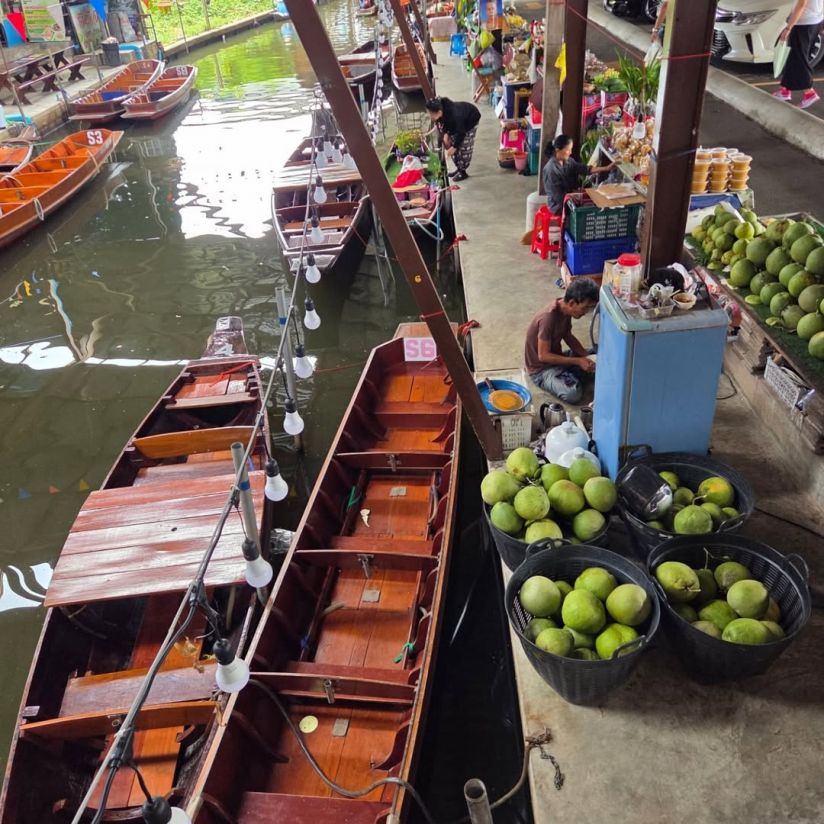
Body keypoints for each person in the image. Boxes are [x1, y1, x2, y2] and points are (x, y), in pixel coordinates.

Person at [524, 279, 600, 404]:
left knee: (597, 354)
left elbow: (567, 336)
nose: (585, 312)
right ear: (571, 303)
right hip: (542, 370)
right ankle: (572, 375)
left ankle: (572, 373)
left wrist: (586, 356)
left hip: (557, 358)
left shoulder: (565, 309)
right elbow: (543, 356)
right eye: (585, 308)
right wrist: (578, 361)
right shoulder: (548, 318)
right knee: (572, 394)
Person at [542, 134, 615, 216]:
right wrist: (578, 194)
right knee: (592, 209)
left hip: (570, 197)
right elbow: (559, 197)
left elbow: (585, 169)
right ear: (558, 150)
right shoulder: (550, 170)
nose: (571, 152)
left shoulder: (569, 161)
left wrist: (606, 168)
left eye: (571, 149)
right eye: (568, 150)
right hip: (559, 206)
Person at [773, 0, 823, 109]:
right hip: (814, 21)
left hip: (803, 23)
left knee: (799, 58)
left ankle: (809, 93)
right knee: (793, 57)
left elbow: (802, 4)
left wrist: (788, 28)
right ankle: (785, 90)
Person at [425, 96, 481, 182]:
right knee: (452, 143)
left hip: (470, 119)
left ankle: (463, 172)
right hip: (460, 122)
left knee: (464, 146)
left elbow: (461, 133)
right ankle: (459, 168)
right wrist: (446, 135)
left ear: (439, 112)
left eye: (431, 114)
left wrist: (454, 147)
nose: (430, 116)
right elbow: (442, 124)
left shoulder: (456, 116)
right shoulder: (442, 109)